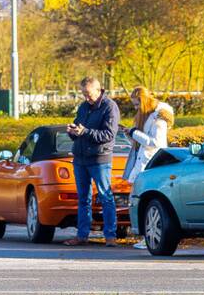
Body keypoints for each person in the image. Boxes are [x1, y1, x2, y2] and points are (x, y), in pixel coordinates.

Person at [64, 76, 121, 247]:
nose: (86, 98)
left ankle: (110, 236)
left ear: (99, 90)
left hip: (99, 159)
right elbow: (78, 126)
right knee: (83, 199)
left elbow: (109, 135)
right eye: (83, 94)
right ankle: (82, 235)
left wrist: (84, 132)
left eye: (88, 94)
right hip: (80, 158)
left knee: (105, 196)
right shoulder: (83, 107)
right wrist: (72, 131)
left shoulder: (109, 107)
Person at [124, 86, 174, 249]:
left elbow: (156, 143)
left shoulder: (158, 119)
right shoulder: (150, 116)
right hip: (145, 161)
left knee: (146, 202)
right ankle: (147, 235)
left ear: (144, 101)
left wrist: (134, 133)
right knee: (141, 201)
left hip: (151, 163)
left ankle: (150, 236)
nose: (136, 109)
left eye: (137, 105)